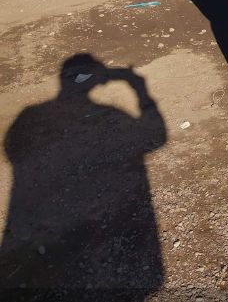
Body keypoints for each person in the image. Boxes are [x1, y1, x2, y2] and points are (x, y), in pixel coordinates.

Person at [0, 54, 166, 295]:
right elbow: (157, 138)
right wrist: (140, 89)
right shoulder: (112, 115)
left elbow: (13, 150)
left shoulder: (30, 116)